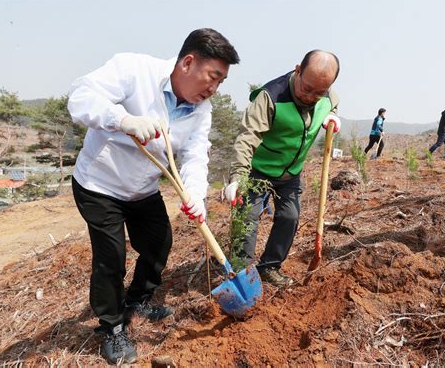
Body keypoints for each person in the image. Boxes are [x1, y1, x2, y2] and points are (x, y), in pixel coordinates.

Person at [68, 28, 239, 364]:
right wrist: (123, 119)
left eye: (221, 82)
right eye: (213, 77)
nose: (214, 89)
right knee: (111, 259)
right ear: (188, 62)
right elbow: (80, 97)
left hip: (142, 188)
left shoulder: (201, 109)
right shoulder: (134, 69)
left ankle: (139, 301)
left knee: (159, 243)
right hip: (100, 184)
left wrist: (195, 195)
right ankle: (113, 328)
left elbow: (195, 154)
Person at [224, 50, 341, 287]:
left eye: (319, 93)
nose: (310, 97)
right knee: (247, 218)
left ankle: (269, 267)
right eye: (306, 88)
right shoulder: (270, 97)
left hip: (290, 173)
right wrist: (238, 177)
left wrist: (332, 115)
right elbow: (247, 137)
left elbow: (332, 105)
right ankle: (240, 274)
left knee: (290, 217)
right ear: (298, 70)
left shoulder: (327, 95)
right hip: (257, 170)